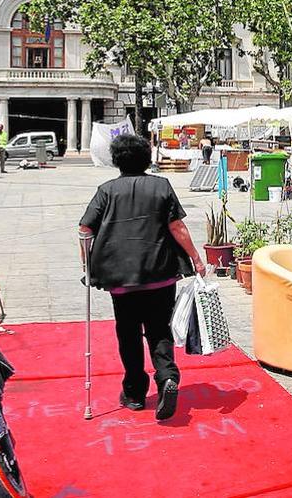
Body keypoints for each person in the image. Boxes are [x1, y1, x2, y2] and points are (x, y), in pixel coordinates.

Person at [78, 133, 206, 420]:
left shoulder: (106, 190)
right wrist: (196, 259)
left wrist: (87, 266)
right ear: (146, 158)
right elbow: (177, 227)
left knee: (128, 333)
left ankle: (135, 393)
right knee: (159, 330)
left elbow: (85, 230)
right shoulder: (160, 186)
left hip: (121, 278)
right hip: (159, 273)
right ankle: (167, 377)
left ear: (116, 161)